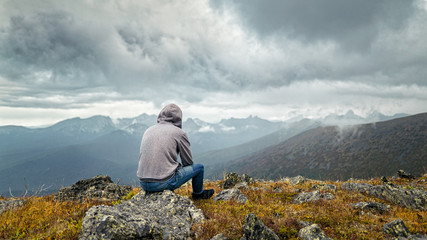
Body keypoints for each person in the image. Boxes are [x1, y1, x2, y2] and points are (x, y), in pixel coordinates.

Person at [137, 103, 214, 199]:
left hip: (143, 182)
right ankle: (198, 195)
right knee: (199, 168)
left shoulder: (148, 130)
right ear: (178, 118)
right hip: (163, 183)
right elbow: (188, 162)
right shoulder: (179, 133)